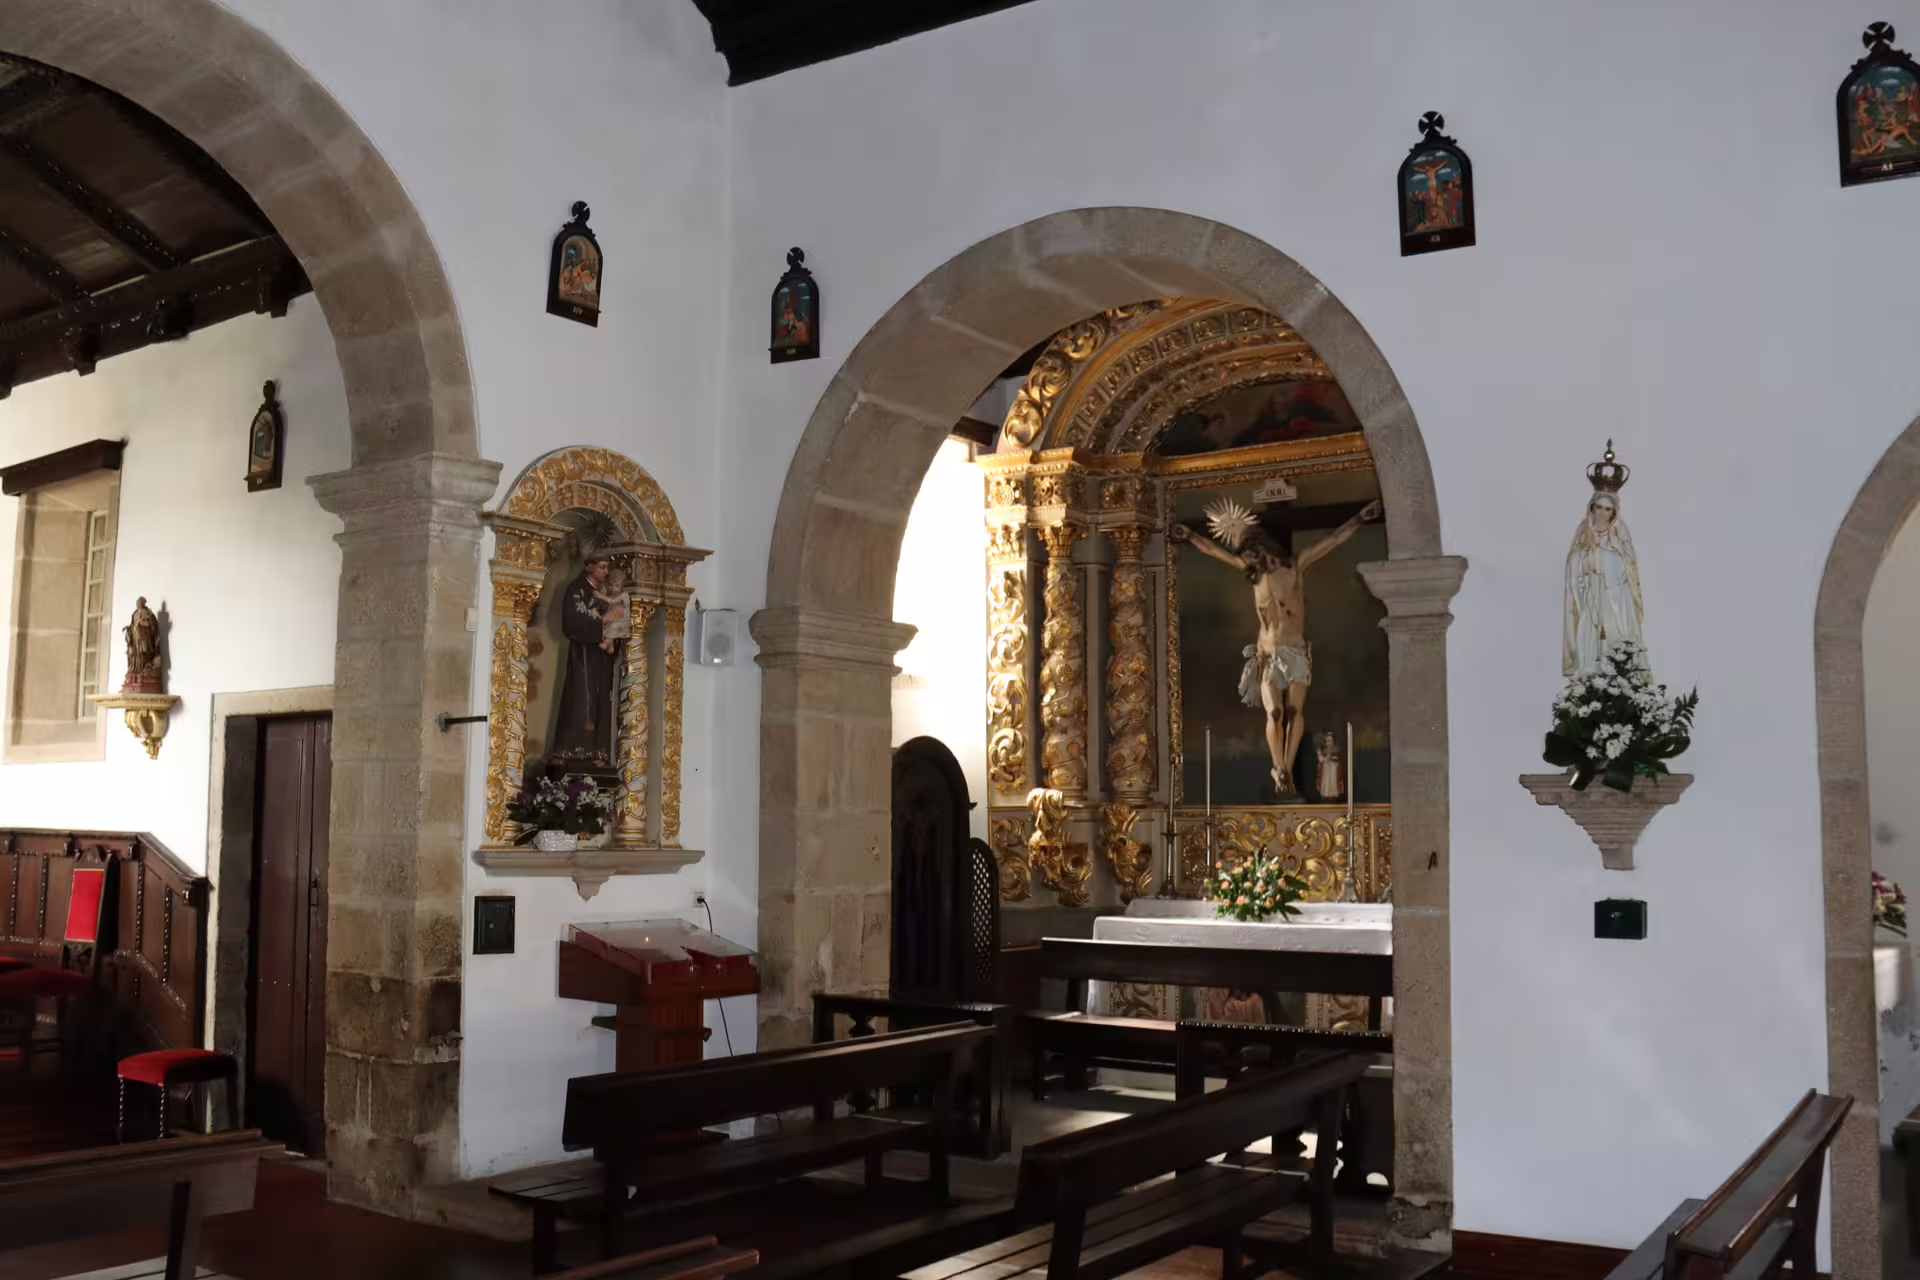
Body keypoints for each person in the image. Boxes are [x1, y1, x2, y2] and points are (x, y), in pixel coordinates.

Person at [1173, 499, 1383, 796]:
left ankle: (1285, 769)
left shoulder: (1295, 566)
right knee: (1274, 714)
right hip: (1268, 652)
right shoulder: (1253, 574)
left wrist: (1360, 518)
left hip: (1295, 650)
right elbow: (1214, 551)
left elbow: (1333, 540)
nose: (1246, 559)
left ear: (1262, 547)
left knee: (1294, 711)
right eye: (1244, 555)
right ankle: (1280, 770)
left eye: (1248, 552)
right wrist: (1191, 537)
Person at [550, 554, 623, 767]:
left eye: (608, 567)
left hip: (601, 659)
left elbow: (617, 616)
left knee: (601, 700)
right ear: (589, 566)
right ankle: (569, 750)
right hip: (582, 654)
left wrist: (614, 634)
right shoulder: (577, 590)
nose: (606, 572)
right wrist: (604, 622)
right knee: (580, 698)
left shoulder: (607, 592)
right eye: (602, 567)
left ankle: (598, 752)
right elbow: (573, 622)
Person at [1563, 486, 1644, 678]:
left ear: (1614, 512)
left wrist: (1603, 556)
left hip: (1616, 599)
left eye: (1608, 509)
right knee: (1591, 651)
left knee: (1617, 646)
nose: (1602, 513)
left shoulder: (1619, 535)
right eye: (1598, 507)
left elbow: (1629, 566)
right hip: (1591, 600)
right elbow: (1574, 570)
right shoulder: (1584, 532)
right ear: (1592, 508)